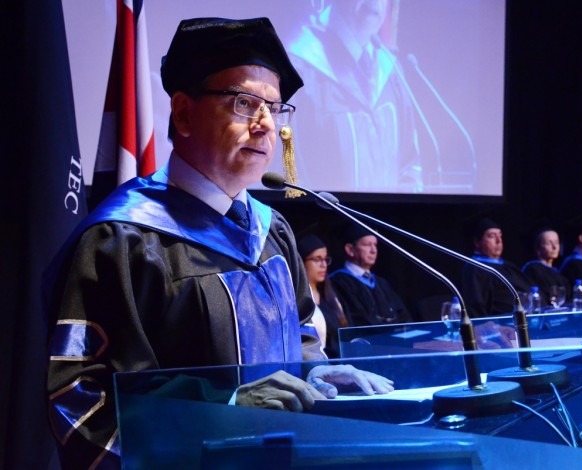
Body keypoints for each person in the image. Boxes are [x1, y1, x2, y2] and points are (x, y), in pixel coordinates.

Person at [45, 18, 392, 469]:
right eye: (245, 103)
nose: (267, 124)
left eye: (275, 106)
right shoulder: (123, 240)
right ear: (185, 113)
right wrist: (224, 408)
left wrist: (315, 369)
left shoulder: (273, 231)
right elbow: (80, 395)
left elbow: (304, 328)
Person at [284, 0, 474, 193]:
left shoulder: (390, 72)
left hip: (386, 220)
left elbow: (409, 163)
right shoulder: (301, 69)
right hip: (322, 220)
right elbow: (290, 172)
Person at [329, 224, 412, 326]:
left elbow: (403, 315)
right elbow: (354, 321)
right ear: (350, 249)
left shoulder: (382, 283)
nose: (374, 250)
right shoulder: (338, 282)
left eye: (375, 245)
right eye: (367, 245)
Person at [461, 218, 534, 317]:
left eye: (500, 236)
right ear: (477, 242)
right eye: (491, 236)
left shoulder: (508, 265)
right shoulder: (475, 268)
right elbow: (475, 307)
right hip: (501, 326)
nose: (499, 241)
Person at [298, 233, 352, 358]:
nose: (323, 265)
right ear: (301, 262)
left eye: (326, 259)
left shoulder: (333, 298)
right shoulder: (298, 301)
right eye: (317, 259)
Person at [521, 227, 570, 306]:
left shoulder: (557, 271)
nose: (554, 247)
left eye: (556, 242)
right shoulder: (532, 269)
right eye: (548, 243)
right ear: (538, 248)